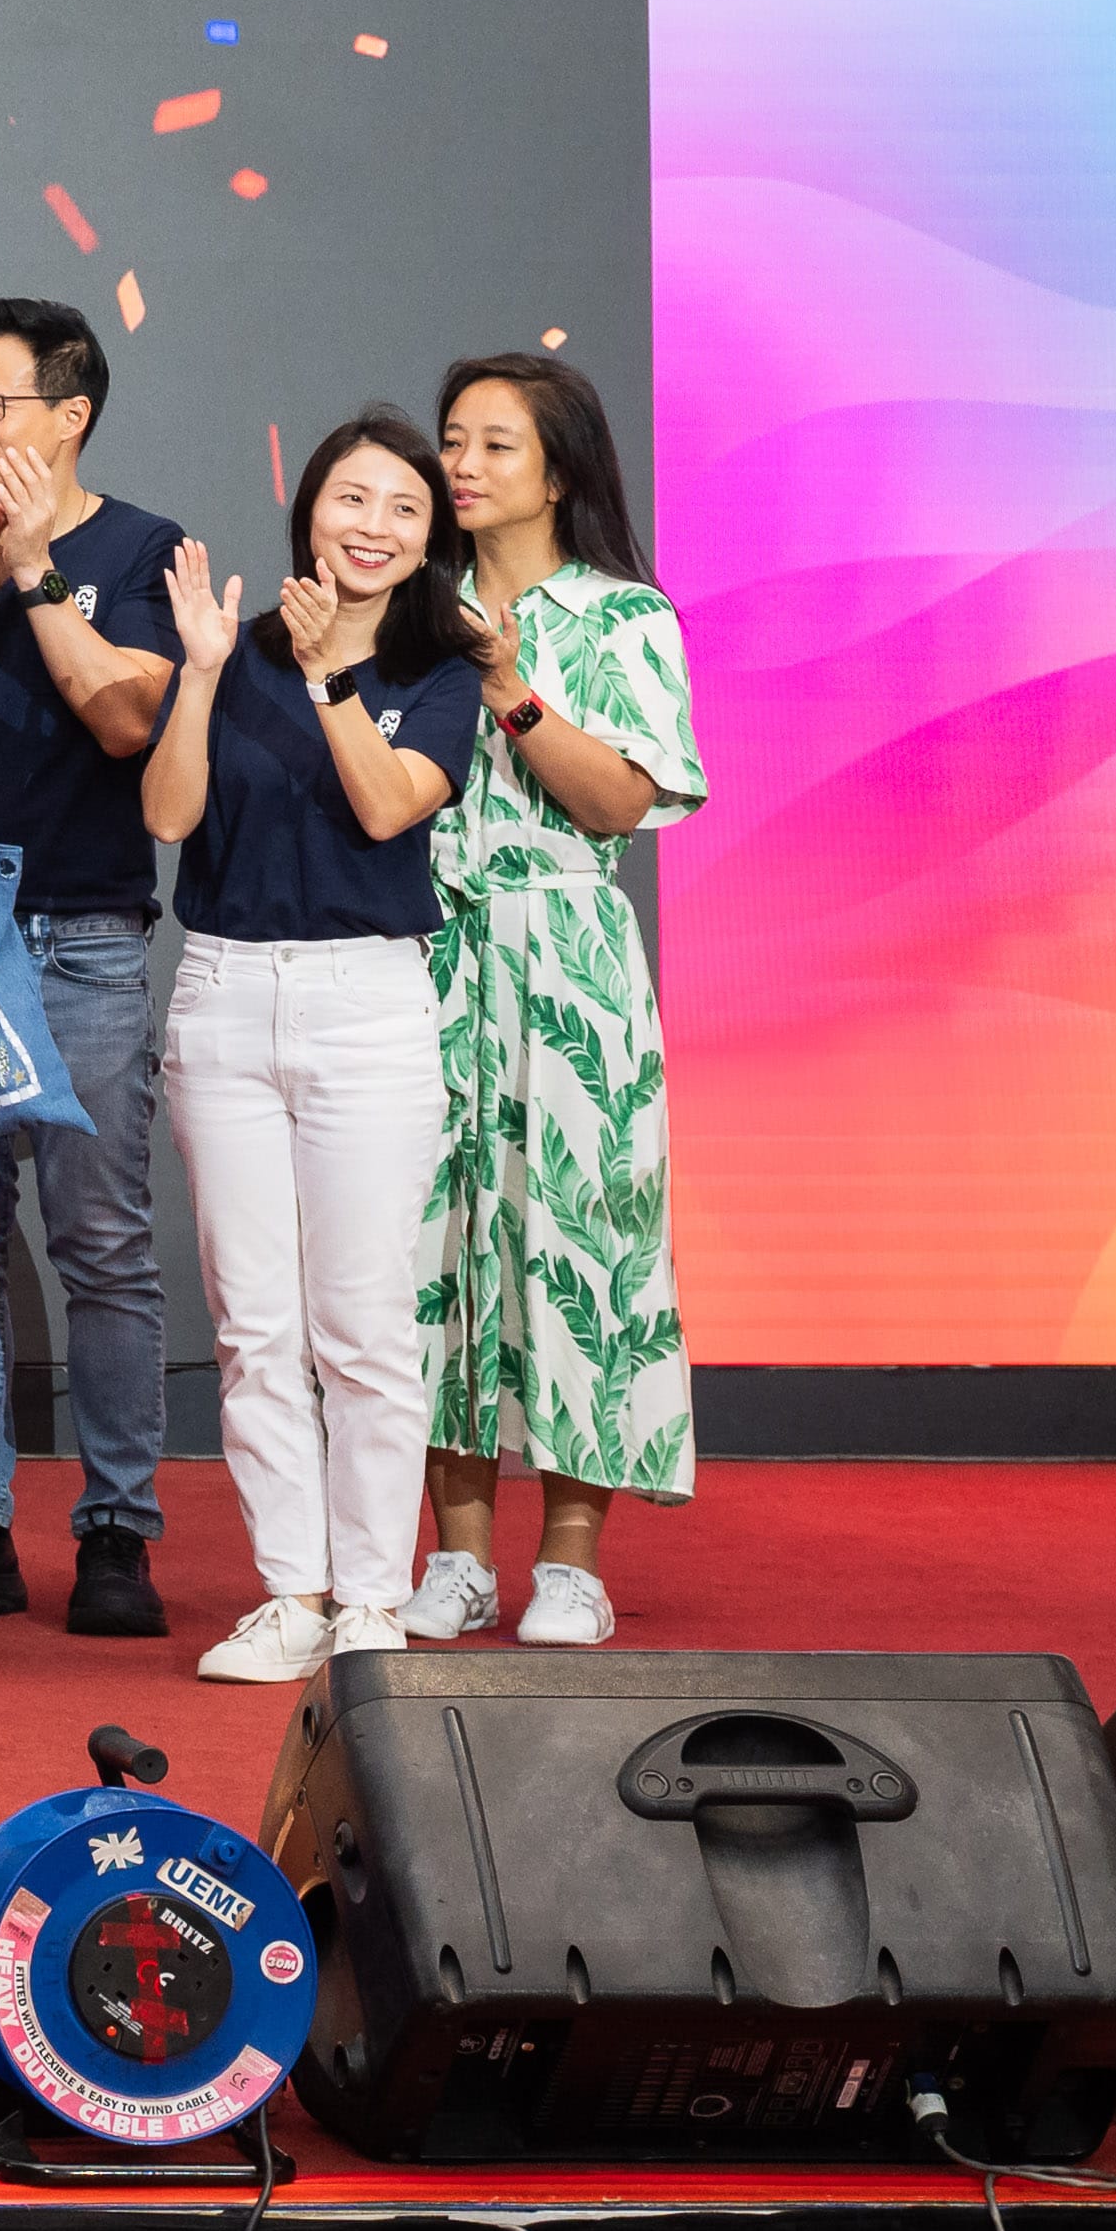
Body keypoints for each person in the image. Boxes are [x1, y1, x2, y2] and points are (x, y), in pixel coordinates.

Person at [145, 413, 483, 1684]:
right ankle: (291, 1591)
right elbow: (169, 815)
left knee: (361, 1325)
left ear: (427, 537)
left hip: (366, 1005)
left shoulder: (438, 669)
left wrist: (331, 675)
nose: (371, 528)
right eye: (351, 500)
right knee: (253, 1330)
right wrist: (197, 671)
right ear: (308, 512)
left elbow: (390, 803)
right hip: (226, 997)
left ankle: (372, 1603)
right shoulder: (228, 659)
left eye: (402, 510)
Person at [0, 296, 192, 1640]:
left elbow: (129, 718)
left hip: (84, 929)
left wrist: (35, 575)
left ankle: (119, 1530)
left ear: (70, 417)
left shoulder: (143, 553)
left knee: (104, 1246)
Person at [414, 351, 707, 1647]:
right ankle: (459, 1555)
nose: (461, 466)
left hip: (567, 963)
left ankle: (574, 1556)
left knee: (579, 1240)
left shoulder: (625, 619)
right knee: (430, 1250)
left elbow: (619, 803)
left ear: (561, 469)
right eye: (453, 442)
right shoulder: (406, 604)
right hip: (424, 956)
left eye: (494, 445)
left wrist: (512, 691)